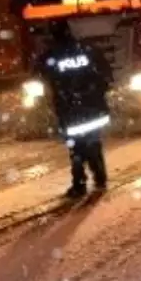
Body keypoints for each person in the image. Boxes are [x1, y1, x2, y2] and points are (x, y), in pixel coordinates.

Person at [33, 20, 113, 198]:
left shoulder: (52, 56)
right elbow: (106, 73)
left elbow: (38, 73)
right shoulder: (87, 50)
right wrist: (97, 93)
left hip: (72, 112)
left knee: (77, 148)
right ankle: (100, 177)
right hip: (94, 109)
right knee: (93, 143)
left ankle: (79, 184)